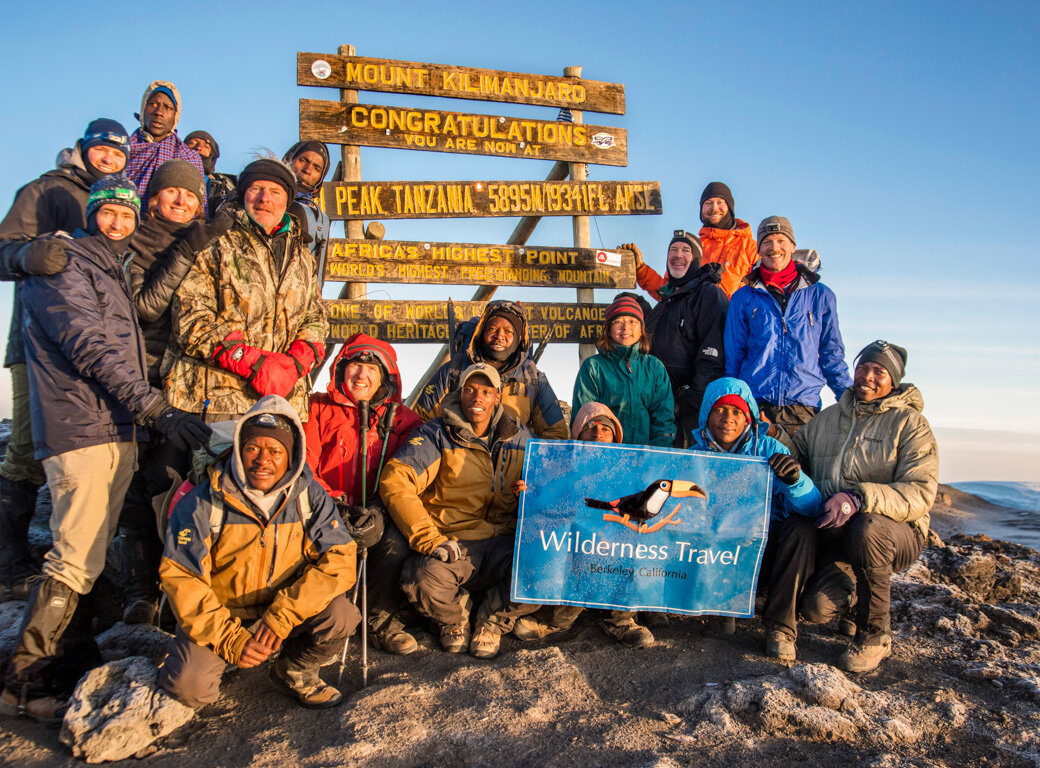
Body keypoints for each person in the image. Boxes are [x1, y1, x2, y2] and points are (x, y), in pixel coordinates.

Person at [0, 175, 211, 720]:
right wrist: (157, 408)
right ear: (91, 213)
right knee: (73, 559)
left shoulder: (110, 270)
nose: (118, 222)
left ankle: (72, 658)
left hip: (111, 427)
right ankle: (26, 680)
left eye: (126, 213)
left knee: (88, 551)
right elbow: (90, 348)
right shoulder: (65, 263)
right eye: (107, 211)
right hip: (81, 428)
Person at [0, 118, 131, 602]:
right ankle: (8, 561)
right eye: (102, 151)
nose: (109, 160)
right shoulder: (47, 191)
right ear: (83, 149)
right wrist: (27, 256)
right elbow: (3, 249)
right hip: (38, 347)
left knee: (95, 459)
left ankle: (77, 569)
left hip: (97, 356)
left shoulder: (116, 205)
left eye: (119, 155)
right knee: (27, 452)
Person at [159, 396, 360, 709]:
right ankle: (221, 654)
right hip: (223, 613)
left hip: (282, 608)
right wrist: (230, 638)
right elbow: (182, 578)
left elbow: (341, 560)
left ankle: (292, 669)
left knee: (342, 615)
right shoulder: (203, 501)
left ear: (291, 455)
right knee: (189, 688)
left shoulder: (308, 496)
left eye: (275, 451)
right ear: (239, 449)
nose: (262, 460)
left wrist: (281, 617)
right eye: (253, 448)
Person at [112, 159, 233, 624]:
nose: (181, 201)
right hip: (141, 382)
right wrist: (187, 250)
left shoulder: (203, 243)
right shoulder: (133, 243)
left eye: (190, 196)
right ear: (153, 198)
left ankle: (182, 584)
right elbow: (144, 308)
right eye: (171, 194)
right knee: (141, 487)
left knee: (180, 479)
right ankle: (139, 592)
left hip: (188, 385)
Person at [783, 341, 938, 672]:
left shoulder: (910, 425)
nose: (868, 376)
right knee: (815, 609)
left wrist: (858, 498)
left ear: (893, 381)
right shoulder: (828, 418)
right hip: (838, 534)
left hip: (894, 532)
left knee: (867, 527)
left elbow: (920, 492)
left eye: (879, 371)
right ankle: (853, 600)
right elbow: (796, 452)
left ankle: (874, 636)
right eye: (863, 367)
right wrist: (771, 436)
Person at [380, 363, 536, 660]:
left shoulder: (520, 437)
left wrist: (530, 492)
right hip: (454, 542)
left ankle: (492, 619)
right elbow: (396, 479)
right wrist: (430, 539)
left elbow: (548, 484)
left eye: (485, 391)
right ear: (459, 394)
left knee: (544, 573)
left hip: (503, 541)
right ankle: (455, 618)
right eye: (469, 390)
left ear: (497, 397)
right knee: (422, 580)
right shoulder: (436, 435)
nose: (477, 398)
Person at [163, 155, 329, 423]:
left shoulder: (302, 257)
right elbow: (190, 317)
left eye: (275, 191)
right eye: (256, 189)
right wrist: (249, 360)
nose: (265, 198)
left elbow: (317, 318)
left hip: (283, 404)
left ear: (286, 201)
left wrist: (296, 363)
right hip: (215, 401)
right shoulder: (215, 242)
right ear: (244, 195)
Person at [303, 333, 422, 654]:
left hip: (377, 512)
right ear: (341, 369)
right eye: (355, 365)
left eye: (372, 369)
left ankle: (379, 621)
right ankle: (325, 620)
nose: (362, 375)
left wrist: (381, 509)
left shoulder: (403, 420)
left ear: (385, 377)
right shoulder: (316, 408)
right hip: (325, 510)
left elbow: (406, 472)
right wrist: (332, 506)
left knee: (395, 540)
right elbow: (306, 466)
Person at [689, 377, 821, 643]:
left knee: (801, 530)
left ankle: (780, 627)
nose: (728, 418)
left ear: (749, 417)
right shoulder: (692, 456)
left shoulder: (770, 449)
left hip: (763, 549)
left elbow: (813, 507)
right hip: (716, 553)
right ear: (707, 414)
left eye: (737, 411)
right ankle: (720, 608)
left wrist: (795, 481)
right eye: (720, 410)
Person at [512, 402, 656, 648]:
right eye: (590, 428)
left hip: (612, 546)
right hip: (572, 545)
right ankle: (556, 619)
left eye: (605, 429)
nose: (598, 434)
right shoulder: (557, 467)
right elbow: (543, 505)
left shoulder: (629, 472)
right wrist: (526, 495)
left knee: (633, 548)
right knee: (574, 551)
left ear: (615, 437)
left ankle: (620, 619)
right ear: (577, 433)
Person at [724, 216, 852, 437]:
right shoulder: (743, 297)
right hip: (756, 408)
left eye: (781, 241)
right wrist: (734, 404)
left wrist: (851, 402)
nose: (775, 248)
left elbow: (832, 354)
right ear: (758, 249)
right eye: (767, 242)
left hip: (803, 410)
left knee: (798, 471)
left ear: (793, 246)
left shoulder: (821, 295)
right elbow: (733, 356)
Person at [414, 300, 569, 439]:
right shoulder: (454, 372)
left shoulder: (533, 379)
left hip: (513, 468)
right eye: (493, 329)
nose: (499, 336)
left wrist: (525, 462)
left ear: (519, 338)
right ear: (482, 332)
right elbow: (421, 424)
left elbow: (555, 435)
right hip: (460, 465)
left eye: (508, 331)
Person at [638, 230, 728, 446]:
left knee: (685, 478)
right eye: (673, 250)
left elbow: (712, 354)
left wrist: (690, 400)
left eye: (685, 250)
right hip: (660, 411)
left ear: (697, 259)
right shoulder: (666, 301)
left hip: (690, 414)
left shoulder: (708, 294)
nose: (678, 255)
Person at [572, 293, 675, 447]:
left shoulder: (654, 367)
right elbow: (584, 420)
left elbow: (663, 420)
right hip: (606, 456)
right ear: (608, 328)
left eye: (633, 321)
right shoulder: (593, 367)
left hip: (645, 456)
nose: (626, 327)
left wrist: (656, 457)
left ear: (641, 328)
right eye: (618, 321)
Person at [632, 181, 757, 299]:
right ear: (701, 209)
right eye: (708, 203)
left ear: (729, 207)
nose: (714, 208)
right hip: (696, 320)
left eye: (720, 202)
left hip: (736, 320)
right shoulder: (692, 247)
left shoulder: (750, 248)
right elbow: (670, 292)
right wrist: (641, 270)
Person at [126, 81, 206, 210]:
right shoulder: (122, 150)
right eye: (153, 104)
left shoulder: (189, 157)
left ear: (176, 115)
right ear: (143, 109)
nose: (159, 112)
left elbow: (199, 208)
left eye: (167, 107)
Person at [282, 141, 331, 282]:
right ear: (289, 159)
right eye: (302, 160)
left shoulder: (316, 217)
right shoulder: (260, 194)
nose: (307, 169)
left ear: (320, 180)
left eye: (316, 168)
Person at [184, 130, 237, 217]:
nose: (198, 147)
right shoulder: (169, 175)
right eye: (192, 143)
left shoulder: (224, 186)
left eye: (206, 146)